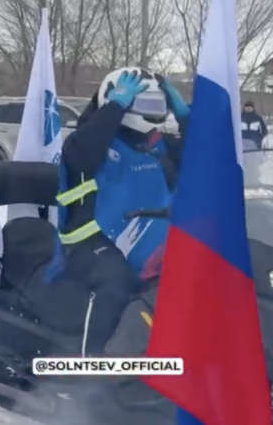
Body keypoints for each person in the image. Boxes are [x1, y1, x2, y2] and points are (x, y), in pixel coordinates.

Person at [53, 67, 189, 354]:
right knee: (116, 283)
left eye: (158, 105)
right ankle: (89, 366)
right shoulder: (87, 142)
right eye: (142, 105)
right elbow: (84, 154)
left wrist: (186, 116)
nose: (152, 114)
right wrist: (114, 106)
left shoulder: (160, 145)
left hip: (152, 239)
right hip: (90, 241)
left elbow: (208, 154)